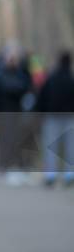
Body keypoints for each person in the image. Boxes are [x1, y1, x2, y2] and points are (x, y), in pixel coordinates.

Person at [35, 51, 74, 187]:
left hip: (51, 116)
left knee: (51, 146)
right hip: (70, 117)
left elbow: (41, 97)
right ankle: (70, 175)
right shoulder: (71, 79)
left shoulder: (51, 78)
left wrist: (39, 112)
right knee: (70, 147)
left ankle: (50, 175)